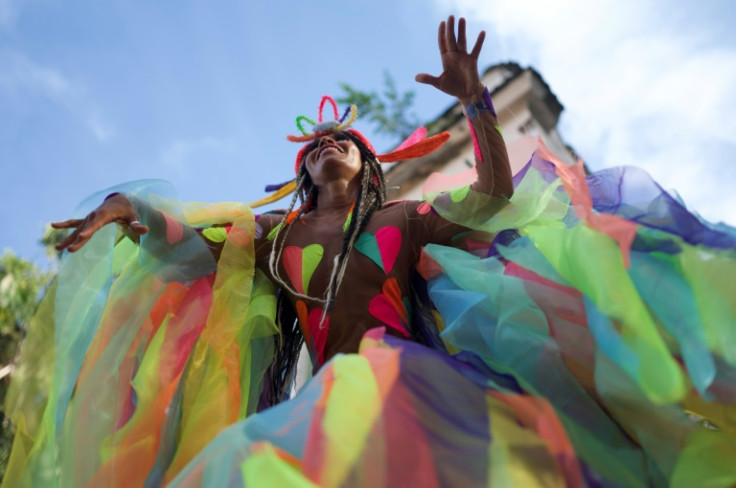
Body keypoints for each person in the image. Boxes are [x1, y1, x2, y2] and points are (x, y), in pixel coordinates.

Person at [4, 15, 736, 488]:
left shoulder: (400, 220)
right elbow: (192, 251)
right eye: (315, 144)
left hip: (406, 374)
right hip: (326, 394)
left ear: (366, 164)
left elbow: (489, 193)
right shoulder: (278, 241)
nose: (327, 145)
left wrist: (477, 100)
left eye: (342, 140)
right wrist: (133, 210)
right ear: (302, 174)